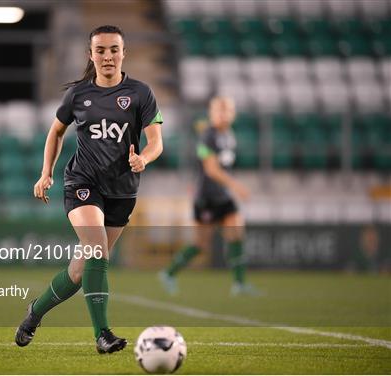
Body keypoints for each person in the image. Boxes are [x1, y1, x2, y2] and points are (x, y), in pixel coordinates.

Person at [15, 25, 163, 354]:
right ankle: (102, 334)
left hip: (122, 191)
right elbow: (55, 133)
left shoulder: (141, 93)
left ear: (123, 53)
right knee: (98, 250)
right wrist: (46, 174)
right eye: (101, 50)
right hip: (82, 183)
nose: (107, 56)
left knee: (81, 269)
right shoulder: (78, 95)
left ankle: (34, 312)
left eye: (114, 49)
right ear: (91, 55)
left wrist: (144, 159)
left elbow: (156, 142)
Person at [159, 96, 254, 296]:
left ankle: (239, 284)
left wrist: (230, 188)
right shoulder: (207, 136)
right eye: (219, 110)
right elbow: (211, 170)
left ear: (233, 113)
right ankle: (168, 273)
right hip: (207, 197)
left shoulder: (229, 135)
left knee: (236, 233)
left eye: (226, 110)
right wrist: (236, 186)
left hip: (224, 196)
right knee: (201, 244)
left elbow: (225, 166)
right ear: (211, 113)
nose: (223, 114)